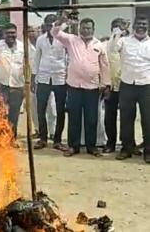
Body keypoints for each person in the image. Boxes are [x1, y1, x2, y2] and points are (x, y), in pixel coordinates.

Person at [51, 14, 110, 157]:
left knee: (91, 118)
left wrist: (106, 85)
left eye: (89, 28)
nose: (86, 31)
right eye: (83, 28)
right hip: (74, 87)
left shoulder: (99, 45)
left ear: (93, 29)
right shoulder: (71, 40)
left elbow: (105, 66)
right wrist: (63, 20)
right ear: (79, 29)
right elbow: (55, 32)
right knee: (74, 118)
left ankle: (91, 147)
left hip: (92, 88)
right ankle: (73, 146)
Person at [109, 15, 150, 163]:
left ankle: (148, 151)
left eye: (144, 24)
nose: (141, 26)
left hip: (146, 86)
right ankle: (126, 149)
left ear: (148, 26)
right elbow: (112, 48)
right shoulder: (124, 41)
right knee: (126, 119)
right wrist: (119, 31)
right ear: (133, 26)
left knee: (148, 120)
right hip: (127, 85)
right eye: (138, 24)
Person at [32, 14, 68, 151]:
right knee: (41, 109)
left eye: (53, 24)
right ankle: (43, 138)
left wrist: (68, 76)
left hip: (60, 78)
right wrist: (33, 79)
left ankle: (57, 140)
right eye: (48, 25)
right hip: (43, 78)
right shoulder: (41, 39)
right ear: (44, 26)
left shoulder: (64, 38)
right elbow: (36, 59)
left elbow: (69, 58)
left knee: (60, 110)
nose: (50, 27)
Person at [0, 23, 24, 137]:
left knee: (14, 114)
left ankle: (12, 138)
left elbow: (27, 65)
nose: (11, 35)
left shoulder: (22, 47)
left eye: (13, 33)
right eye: (8, 33)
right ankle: (0, 138)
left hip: (17, 86)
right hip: (0, 85)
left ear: (16, 33)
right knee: (0, 112)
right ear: (4, 34)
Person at [103, 18, 128, 153]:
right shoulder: (106, 44)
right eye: (115, 28)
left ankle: (128, 143)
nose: (118, 30)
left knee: (127, 117)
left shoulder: (129, 44)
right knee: (109, 117)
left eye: (121, 27)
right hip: (110, 86)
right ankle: (110, 143)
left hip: (127, 85)